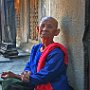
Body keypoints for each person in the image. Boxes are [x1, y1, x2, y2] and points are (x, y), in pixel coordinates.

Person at [1, 16, 70, 90]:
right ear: (38, 29)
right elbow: (29, 65)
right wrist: (26, 73)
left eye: (49, 27)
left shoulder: (56, 53)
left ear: (56, 32)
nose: (45, 29)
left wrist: (17, 76)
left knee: (10, 85)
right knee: (7, 81)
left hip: (51, 85)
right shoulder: (36, 48)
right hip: (34, 80)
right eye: (42, 26)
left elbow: (45, 76)